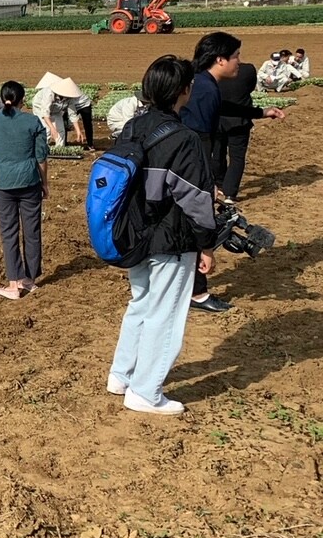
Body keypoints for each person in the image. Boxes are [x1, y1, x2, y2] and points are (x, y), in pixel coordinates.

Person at [108, 54, 217, 415]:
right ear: (183, 90)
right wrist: (206, 244)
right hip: (171, 238)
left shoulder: (132, 127)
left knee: (140, 303)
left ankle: (121, 375)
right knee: (165, 314)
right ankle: (146, 392)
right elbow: (196, 200)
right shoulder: (184, 138)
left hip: (132, 233)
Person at [179, 31, 285, 312]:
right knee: (197, 224)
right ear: (220, 59)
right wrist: (205, 181)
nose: (239, 62)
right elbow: (198, 139)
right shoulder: (204, 89)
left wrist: (261, 112)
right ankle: (197, 294)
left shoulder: (204, 84)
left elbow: (223, 108)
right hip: (186, 169)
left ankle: (187, 288)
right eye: (236, 56)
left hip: (182, 168)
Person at [0, 81, 48, 300]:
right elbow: (41, 156)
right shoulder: (32, 121)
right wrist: (44, 183)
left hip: (2, 182)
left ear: (2, 99)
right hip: (29, 181)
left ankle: (13, 283)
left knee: (9, 233)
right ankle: (29, 279)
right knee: (32, 231)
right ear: (22, 100)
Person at [213, 61, 258, 202]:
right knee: (237, 157)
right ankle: (230, 192)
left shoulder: (213, 72)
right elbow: (251, 87)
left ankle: (219, 184)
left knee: (217, 153)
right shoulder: (247, 70)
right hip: (239, 120)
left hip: (217, 119)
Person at [30, 73, 83, 146]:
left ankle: (59, 149)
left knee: (61, 130)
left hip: (56, 110)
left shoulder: (70, 98)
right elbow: (45, 113)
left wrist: (78, 131)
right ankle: (42, 149)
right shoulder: (49, 93)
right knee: (47, 130)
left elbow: (72, 114)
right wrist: (52, 128)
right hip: (40, 108)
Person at [62, 79, 95, 150]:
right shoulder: (63, 90)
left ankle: (90, 144)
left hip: (84, 104)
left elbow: (72, 113)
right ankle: (63, 143)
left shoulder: (70, 90)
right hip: (71, 105)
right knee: (63, 121)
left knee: (87, 123)